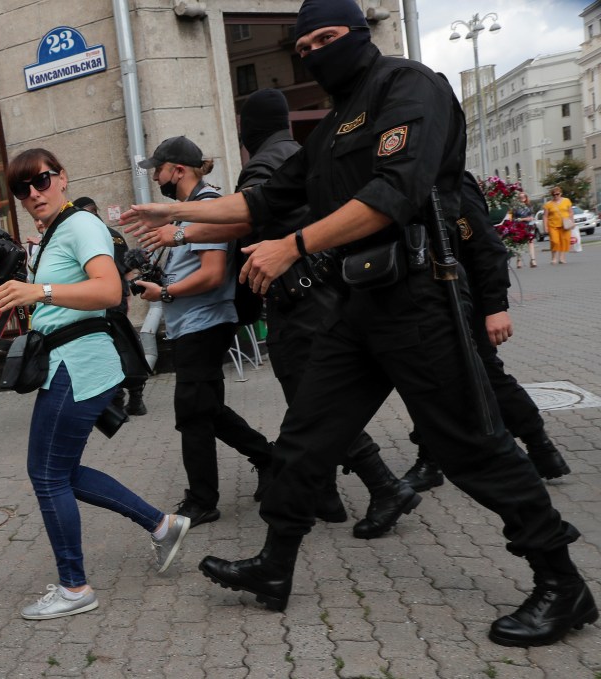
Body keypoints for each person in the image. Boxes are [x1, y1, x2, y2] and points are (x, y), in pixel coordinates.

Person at [121, 0, 595, 647]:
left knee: (469, 445)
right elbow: (263, 200)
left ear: (359, 34)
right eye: (304, 44)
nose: (315, 51)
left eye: (327, 37)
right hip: (357, 304)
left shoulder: (410, 87)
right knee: (307, 434)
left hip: (420, 298)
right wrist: (173, 217)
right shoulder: (335, 125)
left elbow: (394, 193)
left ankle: (561, 582)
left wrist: (295, 246)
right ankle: (274, 565)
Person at [133, 94, 420, 539]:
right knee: (305, 406)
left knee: (312, 407)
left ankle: (381, 485)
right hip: (313, 296)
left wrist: (178, 226)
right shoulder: (296, 153)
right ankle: (322, 495)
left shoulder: (268, 164)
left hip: (298, 300)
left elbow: (247, 220)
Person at [0, 148, 189, 621]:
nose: (33, 194)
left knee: (47, 474)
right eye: (22, 189)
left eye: (42, 181)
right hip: (66, 362)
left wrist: (39, 289)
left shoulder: (81, 226)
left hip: (79, 364)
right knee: (61, 472)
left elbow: (109, 291)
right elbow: (51, 305)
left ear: (63, 177)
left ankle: (75, 587)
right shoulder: (54, 235)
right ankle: (161, 524)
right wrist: (3, 288)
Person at [131, 136, 273, 528]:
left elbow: (211, 275)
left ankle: (202, 499)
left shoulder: (206, 208)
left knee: (192, 413)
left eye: (158, 169)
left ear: (178, 170)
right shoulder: (190, 211)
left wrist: (165, 293)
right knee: (206, 407)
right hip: (194, 324)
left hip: (205, 323)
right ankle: (269, 459)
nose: (156, 177)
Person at [402, 173, 571, 490]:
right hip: (429, 299)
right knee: (430, 380)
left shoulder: (448, 180)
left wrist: (495, 306)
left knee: (487, 376)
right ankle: (430, 458)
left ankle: (540, 445)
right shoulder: (410, 175)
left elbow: (486, 247)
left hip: (465, 301)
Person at [72, 196, 147, 416]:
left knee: (108, 349)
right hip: (118, 300)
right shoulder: (113, 235)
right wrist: (126, 297)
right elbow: (128, 269)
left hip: (99, 301)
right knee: (128, 344)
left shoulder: (85, 236)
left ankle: (116, 401)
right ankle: (136, 398)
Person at [543, 186, 573, 265]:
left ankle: (562, 258)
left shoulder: (567, 201)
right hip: (553, 225)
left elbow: (570, 212)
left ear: (561, 193)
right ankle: (553, 258)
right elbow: (545, 216)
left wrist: (572, 222)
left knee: (564, 241)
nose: (556, 196)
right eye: (554, 194)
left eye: (557, 194)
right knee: (555, 241)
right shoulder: (548, 204)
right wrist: (545, 226)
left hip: (565, 225)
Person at [512, 191, 537, 268]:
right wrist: (522, 220)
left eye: (524, 197)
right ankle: (519, 260)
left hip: (529, 226)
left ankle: (533, 260)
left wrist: (522, 219)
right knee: (519, 243)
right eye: (521, 197)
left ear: (526, 197)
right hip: (519, 226)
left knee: (531, 242)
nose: (522, 198)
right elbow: (513, 218)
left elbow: (532, 217)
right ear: (518, 198)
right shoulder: (515, 207)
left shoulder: (529, 206)